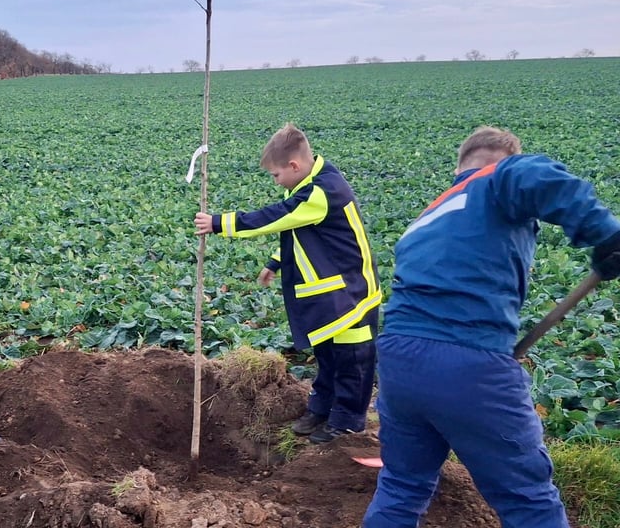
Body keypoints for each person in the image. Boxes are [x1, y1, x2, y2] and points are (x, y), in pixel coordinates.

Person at [363, 126, 620, 528]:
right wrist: (605, 234)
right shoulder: (497, 176)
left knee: (402, 483)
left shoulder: (428, 216)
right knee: (528, 499)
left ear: (457, 168)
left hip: (399, 359)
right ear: (500, 160)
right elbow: (534, 175)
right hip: (468, 361)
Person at [194, 122, 382, 444]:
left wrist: (219, 223)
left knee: (352, 361)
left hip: (353, 295)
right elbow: (301, 230)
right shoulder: (307, 185)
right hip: (331, 294)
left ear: (294, 166)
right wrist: (276, 261)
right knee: (327, 355)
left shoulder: (322, 191)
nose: (276, 181)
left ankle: (347, 421)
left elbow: (277, 217)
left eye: (276, 175)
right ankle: (321, 409)